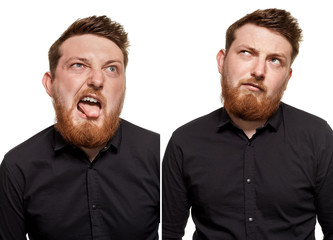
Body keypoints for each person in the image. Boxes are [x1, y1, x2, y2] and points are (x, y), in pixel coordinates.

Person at [162, 8, 333, 240]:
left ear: (287, 77)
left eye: (274, 60)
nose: (259, 71)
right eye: (246, 53)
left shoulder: (318, 137)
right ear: (222, 61)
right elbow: (170, 233)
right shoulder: (185, 141)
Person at [0, 16, 159, 240]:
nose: (97, 80)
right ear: (50, 84)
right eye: (79, 65)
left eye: (111, 68)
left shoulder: (159, 153)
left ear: (123, 88)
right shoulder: (18, 166)